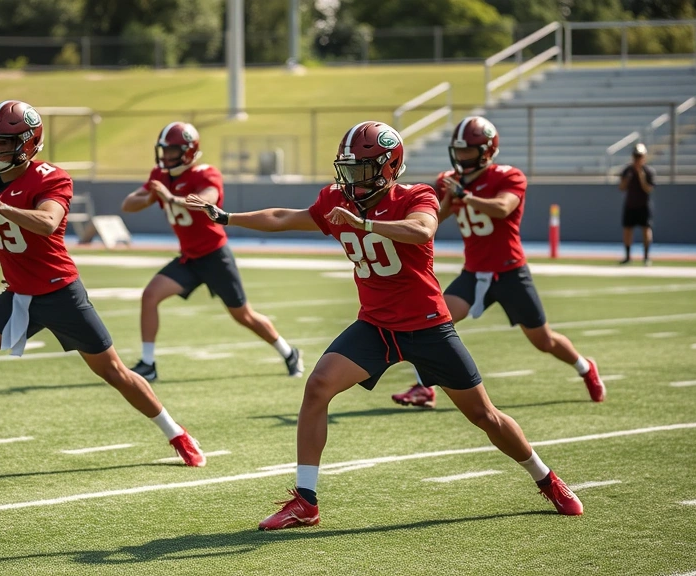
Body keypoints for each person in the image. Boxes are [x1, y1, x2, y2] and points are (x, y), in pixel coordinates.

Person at [186, 120, 584, 531]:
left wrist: (365, 225)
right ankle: (305, 501)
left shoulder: (416, 195)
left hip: (427, 326)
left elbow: (423, 229)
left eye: (360, 169)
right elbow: (286, 216)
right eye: (347, 169)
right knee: (318, 386)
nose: (350, 179)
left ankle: (546, 479)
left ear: (389, 167)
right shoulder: (337, 199)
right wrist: (226, 216)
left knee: (484, 415)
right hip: (375, 325)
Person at [0, 100, 205, 474]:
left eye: (4, 142)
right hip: (18, 293)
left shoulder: (51, 178)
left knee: (114, 372)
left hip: (60, 294)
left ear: (28, 144)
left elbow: (47, 222)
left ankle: (176, 433)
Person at [392, 116, 605, 410]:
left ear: (487, 151)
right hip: (473, 272)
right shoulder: (449, 181)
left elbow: (503, 207)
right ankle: (424, 388)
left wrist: (466, 196)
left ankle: (585, 367)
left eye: (468, 151)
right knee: (428, 323)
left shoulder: (508, 176)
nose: (462, 157)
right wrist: (450, 201)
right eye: (459, 151)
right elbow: (434, 220)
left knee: (543, 340)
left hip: (509, 273)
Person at [120, 121, 303, 382]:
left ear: (188, 152)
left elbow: (206, 201)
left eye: (172, 150)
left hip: (215, 256)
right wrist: (151, 197)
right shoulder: (160, 175)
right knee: (150, 296)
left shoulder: (206, 174)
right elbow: (128, 205)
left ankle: (288, 352)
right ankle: (148, 364)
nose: (166, 156)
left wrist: (170, 198)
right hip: (189, 259)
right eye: (165, 150)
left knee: (243, 315)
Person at [618, 142, 655, 266]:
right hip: (630, 204)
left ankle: (646, 256)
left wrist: (641, 177)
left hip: (643, 205)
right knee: (627, 230)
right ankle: (628, 256)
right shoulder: (627, 170)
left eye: (639, 156)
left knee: (646, 229)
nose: (637, 159)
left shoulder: (648, 171)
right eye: (635, 156)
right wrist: (627, 179)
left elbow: (649, 189)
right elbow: (621, 187)